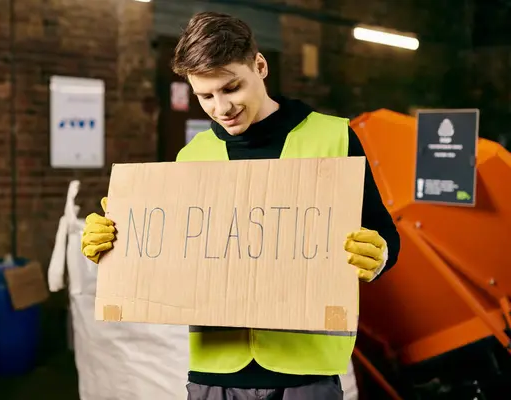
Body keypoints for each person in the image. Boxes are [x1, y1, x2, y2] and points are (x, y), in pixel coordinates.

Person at [81, 11, 400, 400]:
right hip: (215, 373)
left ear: (260, 66)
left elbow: (384, 232)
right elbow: (173, 260)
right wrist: (118, 247)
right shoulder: (192, 157)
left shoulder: (333, 137)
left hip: (306, 373)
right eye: (206, 96)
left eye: (232, 88)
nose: (221, 108)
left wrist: (379, 254)